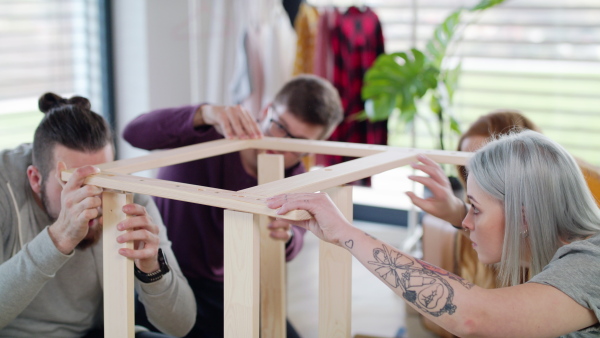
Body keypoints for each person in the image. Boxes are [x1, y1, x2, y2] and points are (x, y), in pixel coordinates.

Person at [267, 130, 600, 337]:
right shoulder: (573, 252)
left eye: (476, 209)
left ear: (522, 217)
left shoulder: (590, 264)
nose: (467, 221)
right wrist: (461, 212)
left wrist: (345, 233)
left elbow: (473, 317)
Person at [123, 74, 343, 337]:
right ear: (265, 110)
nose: (281, 146)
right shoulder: (211, 131)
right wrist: (204, 113)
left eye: (297, 144)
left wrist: (285, 238)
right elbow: (133, 132)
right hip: (162, 273)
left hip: (227, 286)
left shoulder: (296, 177)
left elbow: (294, 237)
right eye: (279, 127)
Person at [0, 93, 196, 337]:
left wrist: (153, 269)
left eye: (102, 180)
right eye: (72, 184)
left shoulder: (125, 194)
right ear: (35, 178)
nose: (93, 199)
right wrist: (57, 240)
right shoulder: (4, 192)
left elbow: (182, 324)